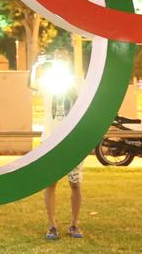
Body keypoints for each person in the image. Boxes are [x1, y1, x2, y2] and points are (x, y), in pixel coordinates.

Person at [30, 49, 82, 240]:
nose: (60, 61)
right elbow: (31, 84)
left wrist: (72, 90)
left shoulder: (76, 81)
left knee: (75, 183)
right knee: (50, 182)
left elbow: (82, 102)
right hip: (51, 137)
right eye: (57, 58)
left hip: (72, 139)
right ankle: (51, 225)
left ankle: (74, 224)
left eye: (63, 58)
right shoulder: (47, 81)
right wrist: (36, 65)